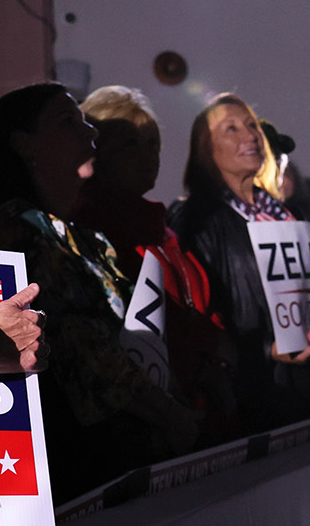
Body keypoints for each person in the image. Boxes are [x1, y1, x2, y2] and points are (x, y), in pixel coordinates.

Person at [0, 84, 200, 500]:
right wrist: (168, 414)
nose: (90, 134)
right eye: (68, 121)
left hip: (133, 443)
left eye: (84, 120)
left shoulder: (85, 238)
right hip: (87, 459)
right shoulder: (20, 231)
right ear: (25, 145)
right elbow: (83, 349)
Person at [72, 86, 228, 434]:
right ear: (98, 151)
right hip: (146, 418)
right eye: (131, 144)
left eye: (152, 144)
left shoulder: (163, 229)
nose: (148, 155)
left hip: (196, 404)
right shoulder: (90, 228)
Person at [169, 94, 310, 433]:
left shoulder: (287, 215)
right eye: (231, 129)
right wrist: (264, 349)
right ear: (206, 150)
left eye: (252, 125)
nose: (251, 135)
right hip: (248, 395)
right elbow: (192, 311)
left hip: (306, 387)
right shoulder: (196, 218)